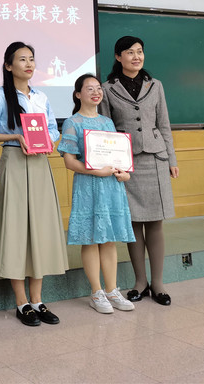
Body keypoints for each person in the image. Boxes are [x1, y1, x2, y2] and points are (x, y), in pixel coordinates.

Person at [0, 42, 69, 327]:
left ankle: (38, 300)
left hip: (40, 162)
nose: (29, 64)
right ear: (8, 66)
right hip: (14, 161)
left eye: (31, 59)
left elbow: (53, 128)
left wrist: (45, 141)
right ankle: (21, 303)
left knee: (40, 228)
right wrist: (15, 137)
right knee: (17, 228)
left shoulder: (41, 96)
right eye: (22, 59)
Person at [100, 36, 179, 306]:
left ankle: (158, 284)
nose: (136, 57)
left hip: (156, 159)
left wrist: (171, 159)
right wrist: (110, 162)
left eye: (140, 52)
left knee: (155, 222)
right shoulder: (107, 89)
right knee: (132, 223)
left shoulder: (155, 85)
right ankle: (140, 282)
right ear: (118, 56)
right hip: (126, 163)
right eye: (130, 52)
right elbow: (105, 128)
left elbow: (164, 124)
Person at [58, 74, 136, 314]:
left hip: (111, 186)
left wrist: (124, 173)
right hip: (88, 186)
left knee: (109, 239)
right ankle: (96, 292)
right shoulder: (72, 122)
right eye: (89, 89)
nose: (96, 92)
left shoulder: (107, 122)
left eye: (98, 88)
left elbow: (117, 157)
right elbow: (69, 161)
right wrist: (95, 172)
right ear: (78, 94)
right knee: (91, 239)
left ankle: (112, 290)